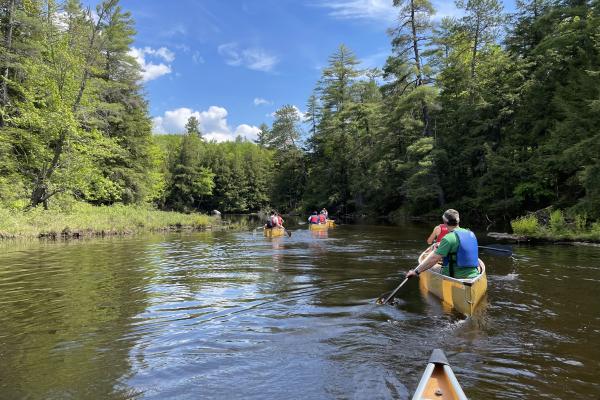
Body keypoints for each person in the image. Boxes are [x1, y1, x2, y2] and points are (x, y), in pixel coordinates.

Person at [407, 209, 480, 279]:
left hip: (454, 275)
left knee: (430, 266)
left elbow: (434, 259)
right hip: (474, 274)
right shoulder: (470, 233)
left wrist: (416, 272)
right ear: (458, 220)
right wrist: (442, 246)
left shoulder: (447, 238)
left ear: (444, 222)